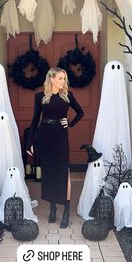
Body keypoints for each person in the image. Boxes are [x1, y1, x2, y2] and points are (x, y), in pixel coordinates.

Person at [26, 67, 84, 228]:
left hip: (60, 137)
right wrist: (29, 142)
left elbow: (80, 113)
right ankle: (52, 208)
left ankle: (65, 209)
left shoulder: (68, 96)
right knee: (49, 172)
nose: (63, 82)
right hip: (45, 137)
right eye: (60, 78)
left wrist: (70, 123)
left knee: (63, 172)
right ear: (51, 79)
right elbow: (34, 121)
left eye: (64, 79)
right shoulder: (40, 97)